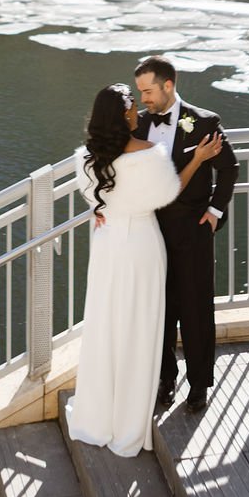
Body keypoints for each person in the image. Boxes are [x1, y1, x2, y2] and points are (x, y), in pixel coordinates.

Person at [66, 83, 223, 457]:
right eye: (133, 106)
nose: (138, 111)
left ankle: (99, 413)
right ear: (124, 115)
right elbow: (169, 194)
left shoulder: (84, 158)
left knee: (106, 325)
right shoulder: (149, 153)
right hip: (141, 245)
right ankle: (130, 418)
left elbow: (97, 200)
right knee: (140, 328)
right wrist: (198, 160)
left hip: (106, 245)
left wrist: (99, 209)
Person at [134, 56, 239, 414]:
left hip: (194, 232)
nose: (144, 99)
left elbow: (229, 168)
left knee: (195, 310)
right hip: (151, 231)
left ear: (168, 86)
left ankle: (199, 384)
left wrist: (214, 212)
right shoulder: (139, 124)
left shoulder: (204, 122)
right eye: (140, 92)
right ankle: (165, 379)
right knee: (158, 310)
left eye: (148, 91)